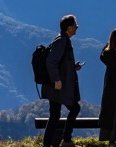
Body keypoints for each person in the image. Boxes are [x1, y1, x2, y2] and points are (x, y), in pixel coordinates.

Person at [42, 14, 83, 147]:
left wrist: (73, 67)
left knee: (54, 116)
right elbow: (51, 62)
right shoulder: (62, 41)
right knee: (74, 108)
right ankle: (66, 140)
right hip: (59, 86)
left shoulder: (62, 40)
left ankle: (48, 144)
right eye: (75, 25)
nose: (77, 27)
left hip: (56, 86)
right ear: (70, 27)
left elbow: (60, 63)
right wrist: (57, 80)